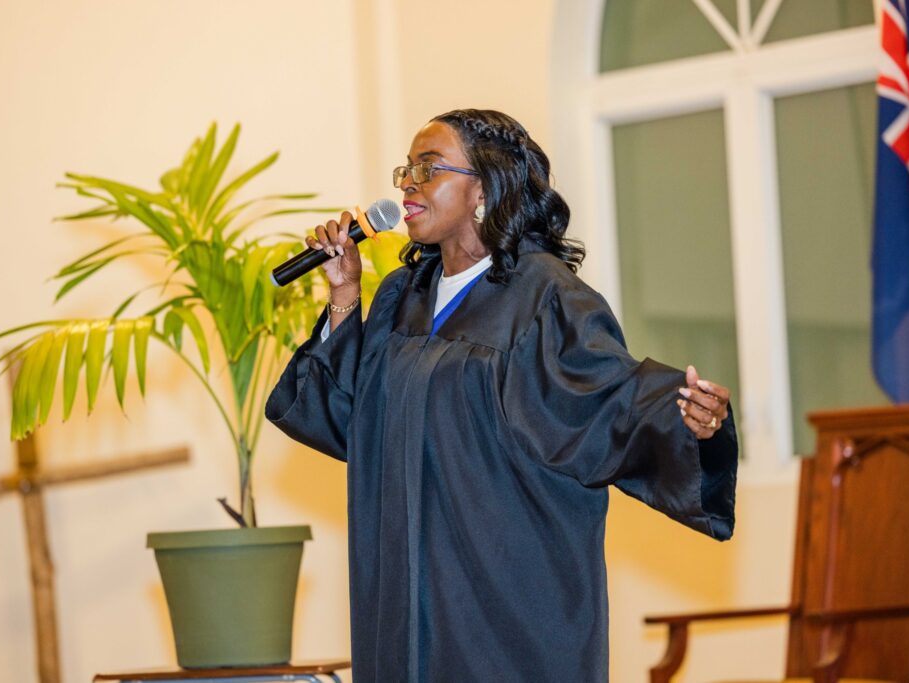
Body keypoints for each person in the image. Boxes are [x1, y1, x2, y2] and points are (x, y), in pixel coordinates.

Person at [266, 109, 737, 682]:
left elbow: (607, 401)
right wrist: (344, 294)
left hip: (505, 588)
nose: (408, 184)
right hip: (405, 591)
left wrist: (691, 421)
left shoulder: (545, 298)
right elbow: (351, 422)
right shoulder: (401, 296)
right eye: (405, 170)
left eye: (428, 168)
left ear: (483, 189)